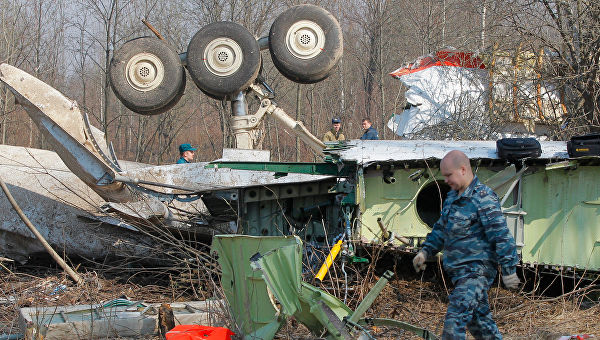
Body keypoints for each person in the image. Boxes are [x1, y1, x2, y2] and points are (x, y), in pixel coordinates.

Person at [412, 150, 520, 340]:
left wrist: (509, 269)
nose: (446, 180)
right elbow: (441, 229)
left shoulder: (483, 197)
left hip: (476, 271)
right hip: (459, 273)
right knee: (481, 326)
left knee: (454, 322)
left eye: (448, 175)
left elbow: (500, 235)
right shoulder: (453, 198)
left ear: (463, 170)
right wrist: (426, 251)